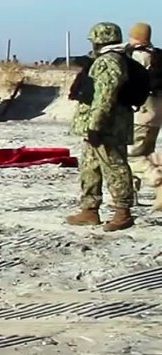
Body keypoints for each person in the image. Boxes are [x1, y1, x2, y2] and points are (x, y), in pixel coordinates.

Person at [67, 21, 135, 230]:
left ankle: (123, 211)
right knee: (90, 167)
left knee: (115, 167)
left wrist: (95, 126)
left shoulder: (109, 62)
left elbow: (104, 97)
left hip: (107, 127)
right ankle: (89, 210)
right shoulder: (109, 59)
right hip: (97, 126)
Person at [125, 23, 162, 189]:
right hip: (156, 111)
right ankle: (132, 192)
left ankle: (153, 175)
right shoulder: (157, 55)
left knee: (132, 155)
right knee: (146, 153)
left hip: (142, 111)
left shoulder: (138, 57)